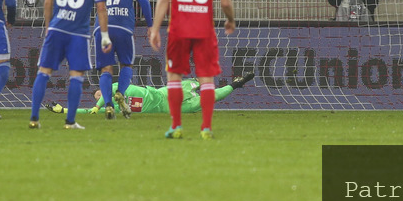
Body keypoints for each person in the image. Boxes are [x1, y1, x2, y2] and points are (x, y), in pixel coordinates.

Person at [149, 0, 236, 140]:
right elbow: (225, 1)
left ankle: (176, 126)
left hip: (178, 29)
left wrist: (155, 28)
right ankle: (206, 128)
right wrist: (230, 20)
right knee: (206, 78)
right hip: (204, 30)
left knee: (174, 77)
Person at [29, 0, 112, 130]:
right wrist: (105, 35)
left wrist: (49, 25)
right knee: (76, 75)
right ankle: (70, 122)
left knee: (44, 72)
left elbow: (48, 0)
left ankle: (34, 119)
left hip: (57, 27)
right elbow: (101, 8)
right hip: (78, 33)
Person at [93, 0, 153, 119]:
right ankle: (120, 92)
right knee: (126, 65)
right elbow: (144, 2)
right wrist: (150, 25)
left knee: (106, 69)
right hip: (123, 28)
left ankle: (109, 105)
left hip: (102, 27)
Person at [45, 73, 254, 115]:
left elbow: (105, 92)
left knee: (195, 82)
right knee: (211, 98)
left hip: (163, 94)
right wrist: (63, 110)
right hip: (168, 108)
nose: (100, 95)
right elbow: (84, 110)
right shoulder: (115, 107)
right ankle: (236, 85)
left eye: (100, 93)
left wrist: (98, 104)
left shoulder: (119, 86)